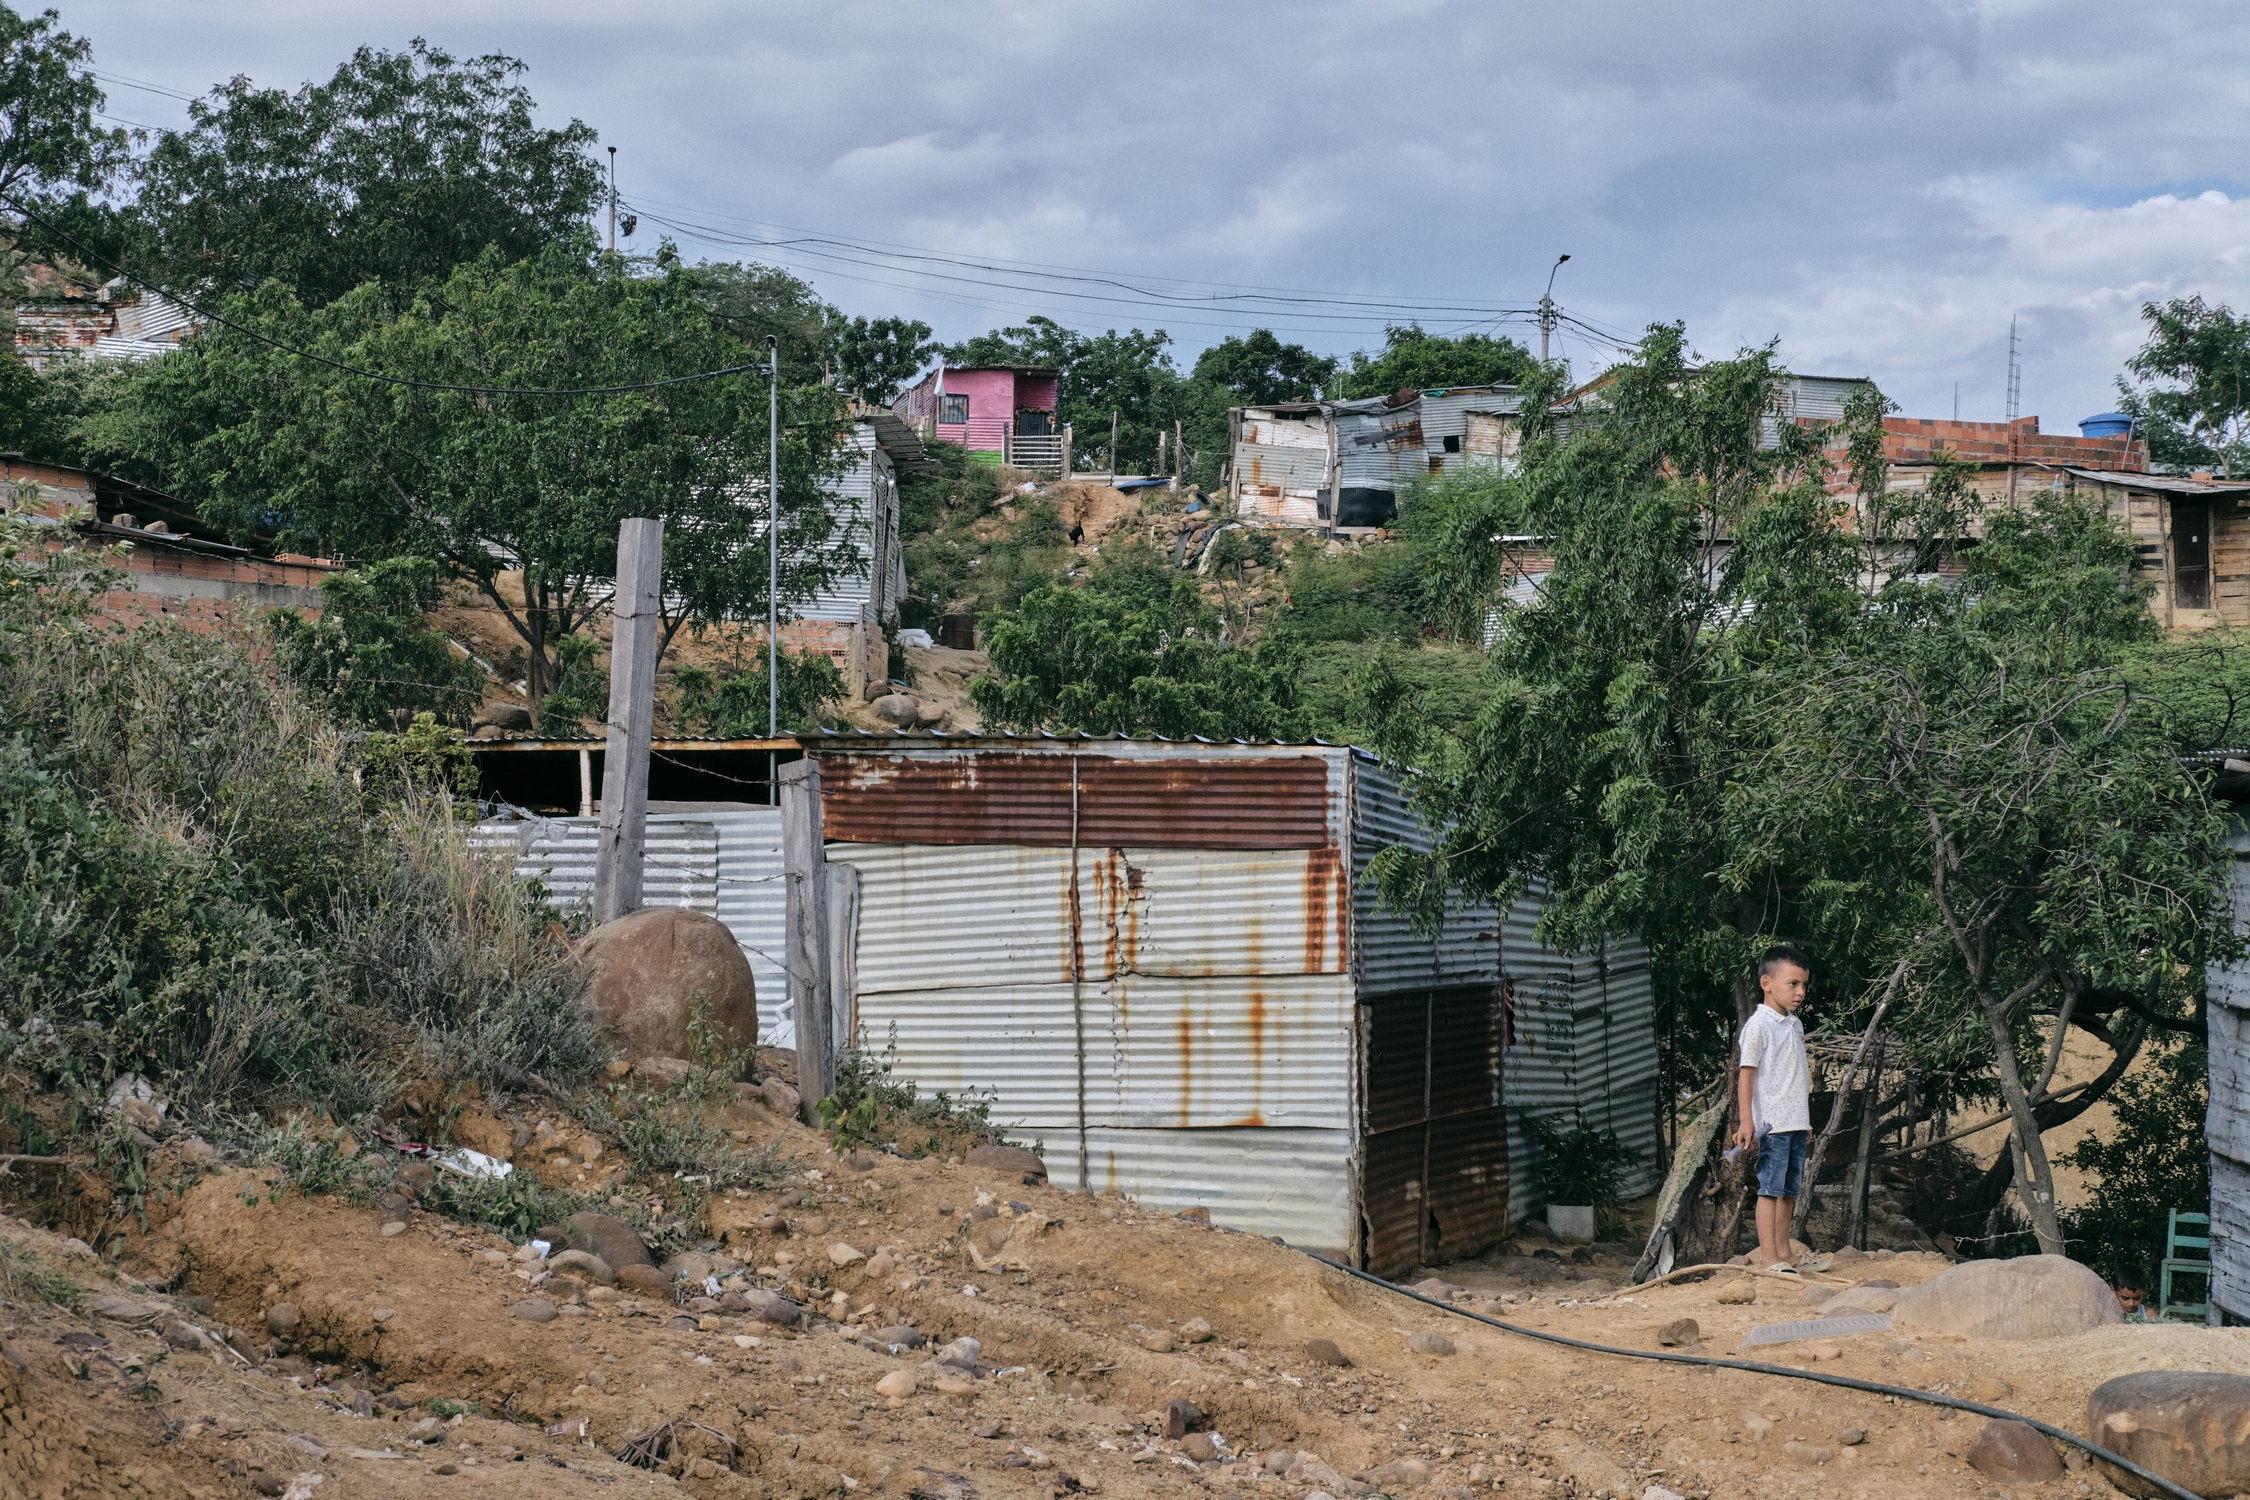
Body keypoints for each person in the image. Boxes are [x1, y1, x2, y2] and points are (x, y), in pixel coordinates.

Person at [1732, 945, 1812, 1273]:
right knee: (1770, 1189)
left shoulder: (1794, 1025)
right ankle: (1769, 1258)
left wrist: (1805, 1122)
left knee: (1789, 1190)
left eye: (1804, 985)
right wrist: (1746, 1121)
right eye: (1792, 984)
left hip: (1794, 1122)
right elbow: (1746, 1076)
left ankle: (1786, 1253)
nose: (1800, 992)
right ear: (1767, 983)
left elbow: (1797, 1077)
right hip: (1772, 1124)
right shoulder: (1758, 1026)